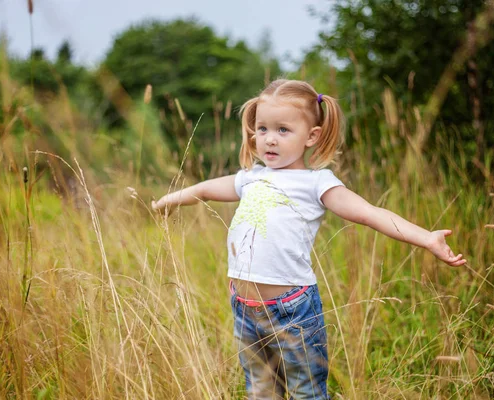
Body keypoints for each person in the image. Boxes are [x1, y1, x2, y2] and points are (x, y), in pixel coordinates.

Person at [151, 79, 466, 399]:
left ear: (311, 136)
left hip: (292, 310)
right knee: (260, 392)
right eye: (262, 129)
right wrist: (168, 201)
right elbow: (203, 189)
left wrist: (427, 238)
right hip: (245, 308)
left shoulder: (316, 183)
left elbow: (371, 213)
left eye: (283, 130)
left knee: (307, 392)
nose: (269, 140)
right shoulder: (251, 178)